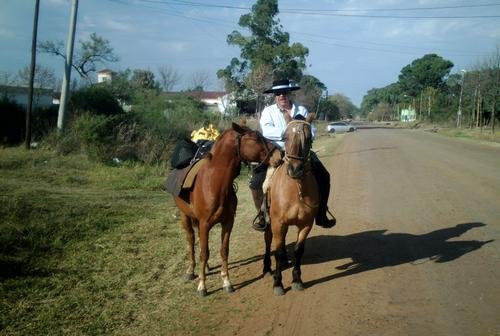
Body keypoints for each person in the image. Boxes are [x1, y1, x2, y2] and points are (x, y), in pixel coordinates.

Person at [250, 79, 336, 231]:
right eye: (278, 93)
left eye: (284, 92)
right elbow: (267, 131)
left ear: (288, 93)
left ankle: (321, 213)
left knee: (324, 176)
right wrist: (290, 133)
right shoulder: (268, 112)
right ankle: (263, 216)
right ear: (274, 95)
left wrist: (303, 135)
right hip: (276, 151)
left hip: (301, 153)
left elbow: (312, 130)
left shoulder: (301, 110)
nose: (281, 95)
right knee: (256, 182)